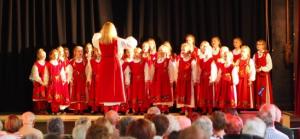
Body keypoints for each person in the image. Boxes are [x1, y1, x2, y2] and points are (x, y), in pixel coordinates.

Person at [91, 22, 137, 113]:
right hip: (115, 66)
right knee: (115, 89)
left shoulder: (98, 41)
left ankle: (107, 113)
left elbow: (94, 39)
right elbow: (131, 45)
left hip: (104, 65)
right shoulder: (118, 40)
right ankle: (114, 113)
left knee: (105, 88)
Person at [151, 45, 176, 113]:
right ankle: (159, 109)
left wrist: (171, 80)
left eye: (163, 51)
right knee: (158, 93)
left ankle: (165, 109)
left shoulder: (168, 61)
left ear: (166, 52)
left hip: (165, 81)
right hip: (157, 80)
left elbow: (171, 71)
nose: (161, 53)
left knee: (165, 93)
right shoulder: (155, 61)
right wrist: (151, 80)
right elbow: (153, 71)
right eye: (160, 51)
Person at [176, 43, 198, 115]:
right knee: (181, 94)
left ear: (189, 50)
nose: (182, 51)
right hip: (181, 80)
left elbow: (194, 70)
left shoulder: (192, 60)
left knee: (189, 94)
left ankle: (189, 110)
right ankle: (183, 109)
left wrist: (194, 80)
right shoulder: (180, 59)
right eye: (182, 49)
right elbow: (177, 69)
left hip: (189, 80)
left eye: (184, 49)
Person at [127, 48, 150, 114]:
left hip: (141, 81)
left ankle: (141, 109)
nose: (136, 54)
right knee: (135, 94)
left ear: (140, 54)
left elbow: (146, 71)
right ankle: (135, 109)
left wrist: (146, 80)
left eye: (138, 53)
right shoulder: (131, 63)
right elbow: (129, 72)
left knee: (141, 94)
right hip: (134, 81)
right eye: (135, 52)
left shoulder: (143, 62)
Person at [196, 41, 217, 114]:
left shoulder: (212, 60)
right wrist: (198, 78)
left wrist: (212, 79)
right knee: (203, 94)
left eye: (207, 50)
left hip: (208, 79)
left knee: (209, 94)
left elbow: (213, 70)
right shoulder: (202, 60)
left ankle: (210, 108)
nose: (206, 51)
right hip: (203, 79)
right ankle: (204, 108)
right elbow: (199, 70)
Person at [253, 40, 273, 109]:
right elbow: (253, 65)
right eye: (257, 44)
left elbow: (270, 66)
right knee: (259, 91)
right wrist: (256, 69)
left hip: (264, 77)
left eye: (260, 44)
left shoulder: (266, 54)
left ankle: (265, 105)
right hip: (258, 76)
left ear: (263, 45)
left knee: (263, 90)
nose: (258, 46)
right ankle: (259, 105)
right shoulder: (255, 55)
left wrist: (262, 68)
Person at [46, 49, 67, 114]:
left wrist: (64, 79)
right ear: (51, 55)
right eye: (54, 54)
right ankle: (52, 110)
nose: (55, 56)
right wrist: (46, 81)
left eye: (56, 54)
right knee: (52, 96)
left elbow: (62, 72)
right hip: (51, 83)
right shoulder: (48, 64)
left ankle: (57, 110)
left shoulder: (59, 64)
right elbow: (46, 73)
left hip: (58, 83)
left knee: (57, 96)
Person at [68, 46, 88, 114]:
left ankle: (81, 109)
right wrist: (70, 79)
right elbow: (69, 71)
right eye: (79, 51)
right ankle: (75, 109)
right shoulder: (71, 61)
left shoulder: (85, 61)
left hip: (82, 81)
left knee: (82, 94)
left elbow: (87, 71)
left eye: (81, 51)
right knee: (74, 94)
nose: (80, 53)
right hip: (75, 81)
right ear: (75, 52)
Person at [29, 48, 48, 114]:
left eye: (44, 55)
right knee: (38, 97)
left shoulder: (47, 63)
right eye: (42, 55)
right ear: (38, 56)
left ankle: (44, 109)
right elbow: (35, 75)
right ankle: (38, 110)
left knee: (45, 97)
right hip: (38, 84)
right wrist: (41, 82)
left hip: (45, 83)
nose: (43, 56)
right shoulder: (36, 65)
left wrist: (46, 82)